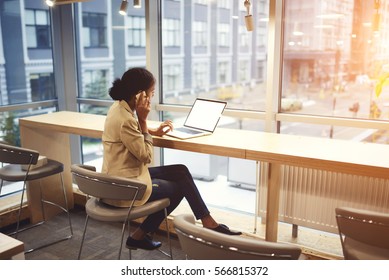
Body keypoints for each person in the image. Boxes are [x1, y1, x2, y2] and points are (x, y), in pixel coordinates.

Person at [102, 67, 241, 251]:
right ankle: (140, 235)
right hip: (126, 186)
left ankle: (207, 221)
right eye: (151, 93)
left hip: (118, 176)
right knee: (178, 189)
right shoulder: (127, 118)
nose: (151, 98)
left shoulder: (119, 108)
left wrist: (151, 131)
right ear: (140, 94)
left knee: (180, 171)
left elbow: (129, 134)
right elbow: (146, 156)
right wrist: (144, 121)